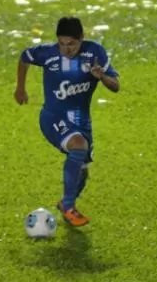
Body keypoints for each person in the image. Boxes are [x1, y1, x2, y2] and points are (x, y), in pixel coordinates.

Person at [14, 17, 120, 227]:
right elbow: (24, 56)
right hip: (52, 118)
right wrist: (20, 88)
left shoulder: (95, 52)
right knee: (78, 145)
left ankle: (65, 203)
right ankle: (70, 207)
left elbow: (115, 86)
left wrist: (101, 77)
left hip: (82, 122)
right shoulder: (47, 53)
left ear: (82, 39)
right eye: (62, 43)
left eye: (71, 44)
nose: (66, 49)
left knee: (82, 172)